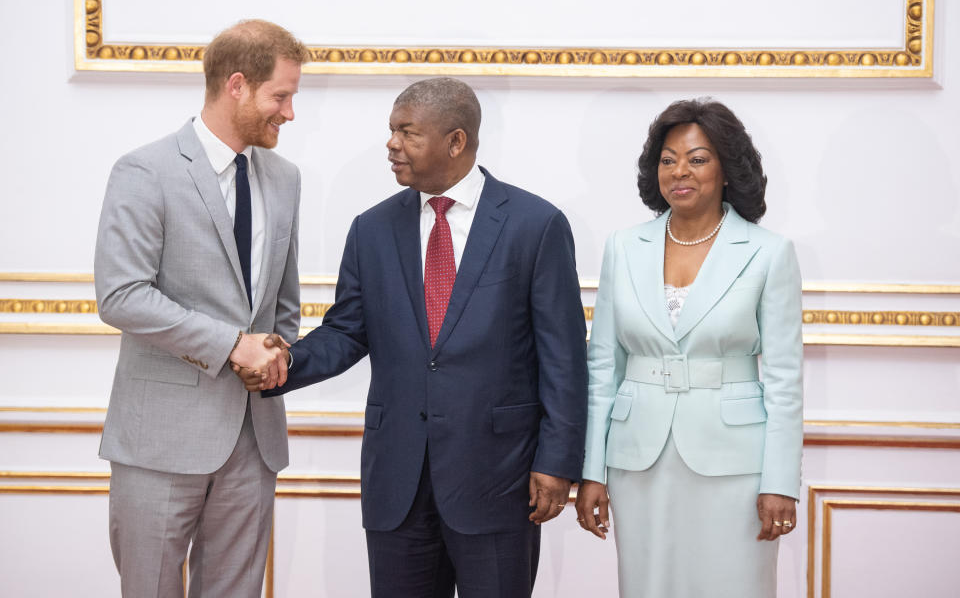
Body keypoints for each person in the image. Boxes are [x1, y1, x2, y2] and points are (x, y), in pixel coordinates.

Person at [243, 77, 588, 597]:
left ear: (456, 141)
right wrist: (283, 362)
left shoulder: (535, 225)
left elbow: (563, 358)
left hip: (498, 479)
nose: (391, 144)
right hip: (397, 483)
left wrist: (558, 462)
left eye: (407, 132)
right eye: (391, 131)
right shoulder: (371, 228)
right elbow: (345, 330)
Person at [94, 19, 308, 597]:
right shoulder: (144, 171)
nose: (289, 112)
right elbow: (120, 294)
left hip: (254, 438)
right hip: (159, 440)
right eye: (281, 96)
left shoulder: (285, 179)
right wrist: (230, 344)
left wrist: (275, 348)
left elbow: (280, 307)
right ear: (237, 85)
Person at [575, 99, 803, 597]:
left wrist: (781, 480)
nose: (680, 171)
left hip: (737, 466)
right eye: (668, 159)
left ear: (726, 169)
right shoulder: (622, 247)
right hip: (638, 460)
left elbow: (785, 381)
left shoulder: (768, 252)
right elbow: (602, 368)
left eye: (697, 159)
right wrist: (591, 469)